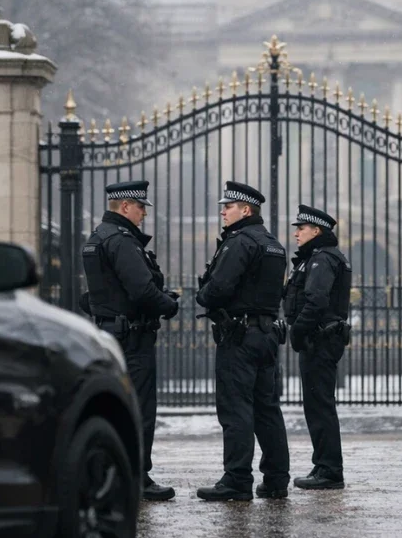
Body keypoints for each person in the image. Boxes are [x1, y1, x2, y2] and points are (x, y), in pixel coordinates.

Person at [80, 180, 180, 501]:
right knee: (139, 408)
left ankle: (112, 472)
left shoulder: (97, 238)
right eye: (140, 208)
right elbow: (141, 290)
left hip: (111, 333)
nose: (143, 215)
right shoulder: (122, 241)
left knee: (114, 406)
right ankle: (138, 475)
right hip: (132, 339)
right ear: (125, 206)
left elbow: (95, 296)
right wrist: (170, 304)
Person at [195, 181, 291, 502]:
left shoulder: (239, 241)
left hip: (239, 336)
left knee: (236, 408)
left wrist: (203, 294)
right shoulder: (274, 244)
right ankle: (276, 479)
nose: (223, 211)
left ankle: (237, 480)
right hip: (265, 334)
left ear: (246, 209)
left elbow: (219, 287)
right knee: (267, 409)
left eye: (229, 206)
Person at [284, 204, 351, 490]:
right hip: (322, 338)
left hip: (320, 339)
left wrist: (298, 332)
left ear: (316, 230)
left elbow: (316, 300)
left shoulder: (322, 258)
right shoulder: (322, 257)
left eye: (301, 228)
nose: (296, 234)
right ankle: (323, 465)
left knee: (319, 405)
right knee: (319, 404)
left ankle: (329, 470)